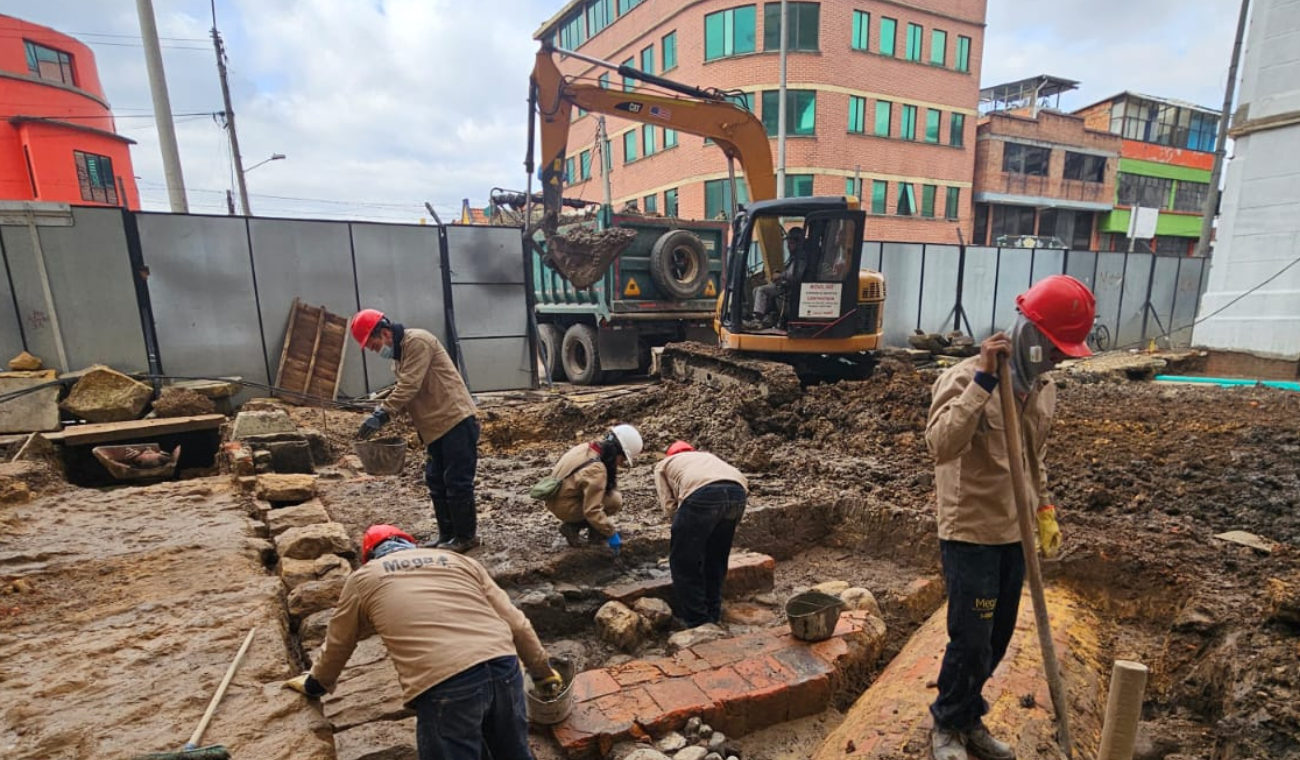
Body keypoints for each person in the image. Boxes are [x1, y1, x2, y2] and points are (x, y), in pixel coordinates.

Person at [924, 275, 1094, 760]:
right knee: (971, 638)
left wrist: (1043, 507)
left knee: (997, 637)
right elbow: (941, 447)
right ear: (1030, 335)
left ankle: (967, 715)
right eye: (1055, 347)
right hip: (972, 531)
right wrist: (983, 382)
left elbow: (1033, 457)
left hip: (1013, 532)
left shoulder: (1043, 389)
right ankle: (947, 727)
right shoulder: (962, 379)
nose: (1059, 358)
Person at [284, 524, 561, 760]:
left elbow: (338, 643)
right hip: (504, 667)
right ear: (411, 545)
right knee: (513, 753)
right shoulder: (459, 561)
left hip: (445, 683)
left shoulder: (363, 579)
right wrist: (542, 671)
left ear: (369, 556)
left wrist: (316, 683)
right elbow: (516, 622)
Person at [350, 309, 481, 553]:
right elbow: (404, 390)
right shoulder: (399, 359)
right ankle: (447, 535)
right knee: (436, 480)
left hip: (455, 421)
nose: (375, 350)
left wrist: (383, 413)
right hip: (434, 428)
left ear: (386, 333)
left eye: (374, 344)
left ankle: (466, 536)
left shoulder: (417, 342)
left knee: (457, 481)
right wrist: (378, 409)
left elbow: (409, 386)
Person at [653, 440, 748, 627]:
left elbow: (669, 506)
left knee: (683, 562)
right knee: (716, 558)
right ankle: (714, 612)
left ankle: (697, 620)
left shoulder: (663, 464)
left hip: (702, 495)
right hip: (738, 493)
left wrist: (684, 530)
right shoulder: (706, 456)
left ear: (670, 455)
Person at [542, 424, 642, 552]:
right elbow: (592, 510)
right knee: (613, 501)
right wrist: (611, 533)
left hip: (556, 498)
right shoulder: (597, 469)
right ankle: (574, 528)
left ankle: (591, 530)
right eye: (622, 459)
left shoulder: (587, 448)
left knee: (607, 497)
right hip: (563, 506)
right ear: (617, 453)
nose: (621, 464)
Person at [750, 227, 809, 328]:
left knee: (761, 290)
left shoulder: (802, 257)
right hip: (787, 284)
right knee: (756, 290)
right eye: (788, 244)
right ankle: (768, 317)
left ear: (799, 243)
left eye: (791, 244)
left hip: (790, 287)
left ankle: (758, 320)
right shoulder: (794, 256)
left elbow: (794, 275)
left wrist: (780, 276)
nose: (788, 247)